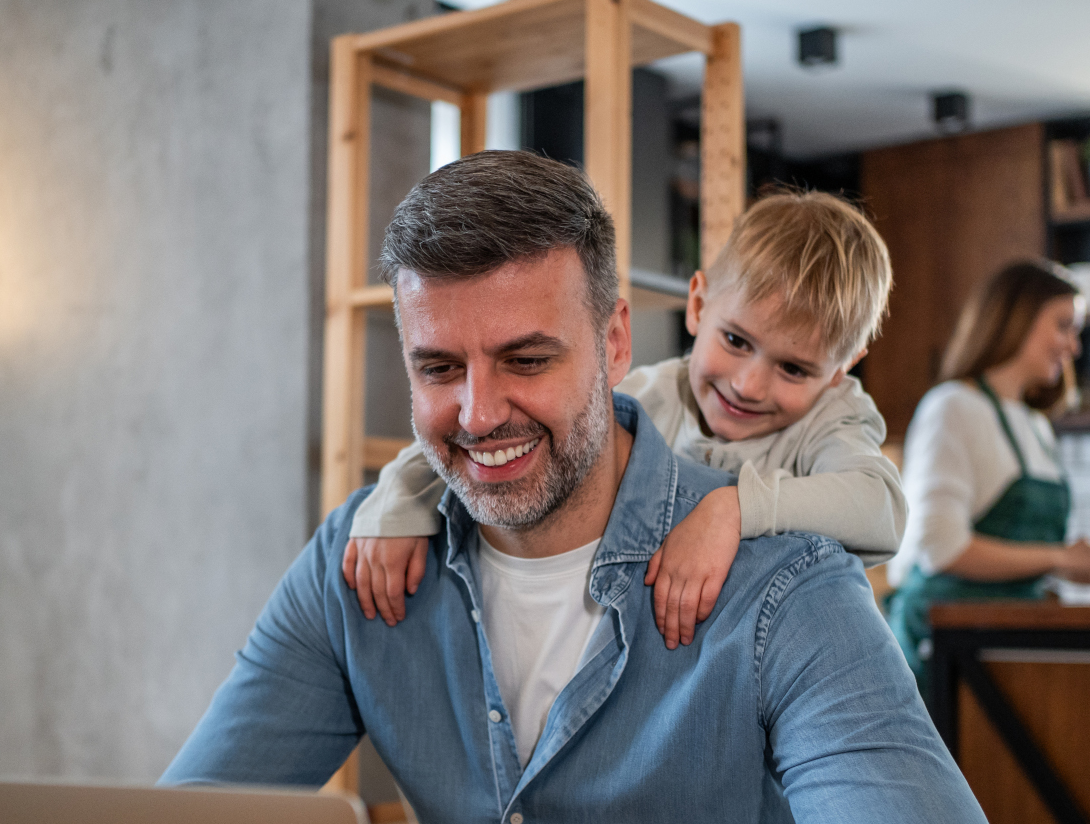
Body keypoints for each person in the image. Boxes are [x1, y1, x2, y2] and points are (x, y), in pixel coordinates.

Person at [161, 152, 1015, 824]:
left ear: (614, 341)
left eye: (526, 359)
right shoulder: (360, 563)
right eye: (438, 367)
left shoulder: (786, 584)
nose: (478, 412)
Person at [345, 189, 905, 650]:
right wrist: (398, 499)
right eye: (736, 341)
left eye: (794, 368)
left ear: (841, 370)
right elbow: (487, 437)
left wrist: (732, 508)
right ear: (698, 304)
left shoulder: (836, 417)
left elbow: (882, 510)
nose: (747, 384)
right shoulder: (654, 394)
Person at [887, 259, 1090, 693]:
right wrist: (1057, 558)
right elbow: (942, 549)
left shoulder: (1036, 425)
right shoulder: (953, 407)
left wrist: (1066, 568)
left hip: (1008, 646)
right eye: (1063, 326)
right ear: (1017, 319)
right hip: (943, 653)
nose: (1073, 347)